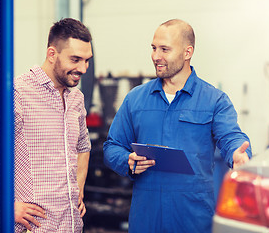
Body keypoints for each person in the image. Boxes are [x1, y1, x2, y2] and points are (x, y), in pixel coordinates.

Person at [103, 19, 252, 233]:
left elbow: (231, 137)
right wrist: (126, 160)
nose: (156, 56)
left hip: (193, 219)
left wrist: (239, 155)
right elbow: (112, 146)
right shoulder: (135, 99)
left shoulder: (214, 100)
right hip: (146, 219)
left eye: (165, 49)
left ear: (187, 52)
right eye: (154, 48)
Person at [14, 18, 93, 233]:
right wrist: (6, 205)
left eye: (87, 60)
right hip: (33, 227)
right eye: (75, 59)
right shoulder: (18, 93)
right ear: (52, 54)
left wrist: (77, 190)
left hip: (70, 224)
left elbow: (83, 147)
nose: (83, 68)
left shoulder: (76, 98)